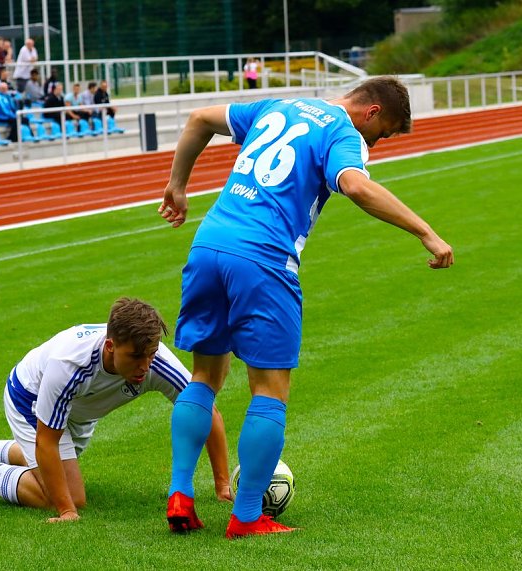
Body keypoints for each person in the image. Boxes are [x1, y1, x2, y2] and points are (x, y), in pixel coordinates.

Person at [157, 76, 454, 538]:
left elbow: (199, 118)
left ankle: (180, 496)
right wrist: (425, 231)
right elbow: (354, 186)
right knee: (269, 390)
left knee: (205, 377)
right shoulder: (343, 132)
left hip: (208, 246)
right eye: (385, 132)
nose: (379, 142)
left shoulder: (280, 104)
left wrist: (177, 185)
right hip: (264, 258)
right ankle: (248, 516)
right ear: (372, 112)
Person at [0, 297, 232, 523]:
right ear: (109, 346)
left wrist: (222, 486)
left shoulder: (155, 362)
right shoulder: (71, 363)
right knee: (68, 496)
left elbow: (205, 411)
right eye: (135, 357)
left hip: (77, 410)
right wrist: (66, 510)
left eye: (151, 354)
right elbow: (47, 440)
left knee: (57, 470)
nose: (145, 366)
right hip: (29, 397)